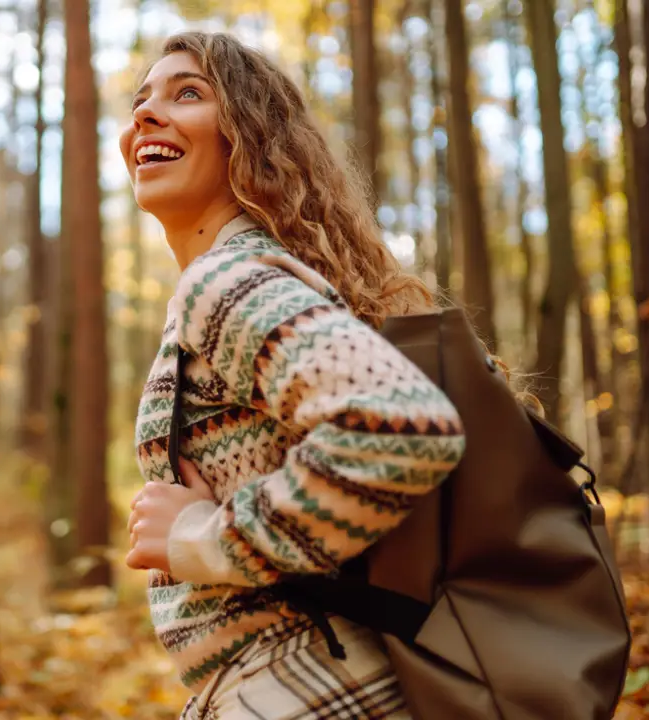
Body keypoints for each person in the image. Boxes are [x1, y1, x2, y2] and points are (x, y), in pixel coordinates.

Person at [121, 32, 468, 719]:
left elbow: (402, 429)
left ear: (246, 137)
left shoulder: (228, 279)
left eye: (187, 93)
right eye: (141, 101)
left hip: (310, 684)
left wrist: (202, 536)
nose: (145, 116)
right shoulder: (237, 279)